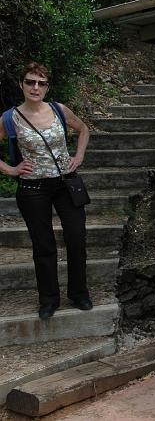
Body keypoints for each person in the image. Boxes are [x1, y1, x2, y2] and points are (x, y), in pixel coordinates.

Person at [0, 61, 91, 319]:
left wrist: (79, 155)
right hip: (32, 188)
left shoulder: (59, 110)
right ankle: (49, 300)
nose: (35, 87)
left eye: (41, 83)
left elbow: (83, 129)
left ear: (47, 87)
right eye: (30, 81)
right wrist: (11, 170)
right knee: (43, 245)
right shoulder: (10, 118)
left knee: (76, 238)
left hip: (65, 184)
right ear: (21, 84)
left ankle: (79, 293)